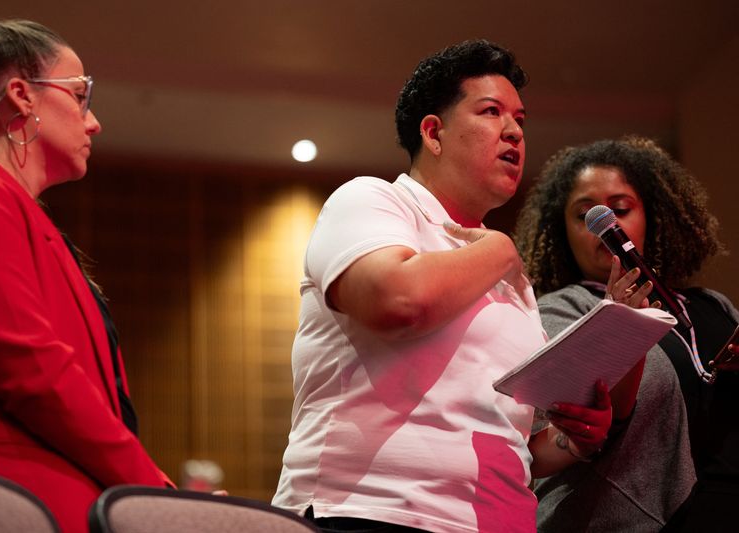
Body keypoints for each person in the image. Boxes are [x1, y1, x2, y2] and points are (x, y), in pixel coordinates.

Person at [272, 39, 612, 533]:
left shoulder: (512, 282)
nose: (514, 131)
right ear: (433, 132)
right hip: (366, 512)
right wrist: (501, 249)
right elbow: (398, 300)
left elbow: (503, 440)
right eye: (491, 112)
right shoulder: (373, 202)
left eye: (520, 118)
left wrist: (569, 441)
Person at [0, 16, 171, 532]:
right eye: (80, 95)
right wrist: (148, 487)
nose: (94, 122)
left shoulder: (27, 220)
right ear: (21, 95)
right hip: (7, 503)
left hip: (63, 501)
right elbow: (30, 370)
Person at [514, 135, 739, 532]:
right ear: (560, 230)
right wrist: (620, 326)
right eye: (588, 216)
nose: (609, 226)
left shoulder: (712, 306)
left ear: (653, 215)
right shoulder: (556, 312)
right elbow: (580, 423)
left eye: (620, 209)